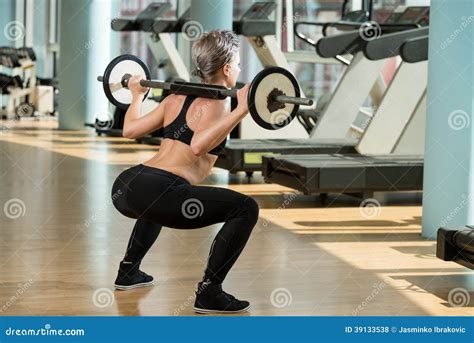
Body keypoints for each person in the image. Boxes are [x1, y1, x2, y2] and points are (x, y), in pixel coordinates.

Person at [111, 30, 259, 314]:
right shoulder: (219, 103)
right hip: (160, 188)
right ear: (227, 68)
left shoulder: (176, 96)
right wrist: (242, 110)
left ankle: (128, 271)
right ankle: (210, 292)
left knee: (154, 205)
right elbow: (197, 147)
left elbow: (130, 130)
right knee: (246, 208)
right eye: (238, 64)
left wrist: (136, 95)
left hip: (129, 184)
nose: (239, 70)